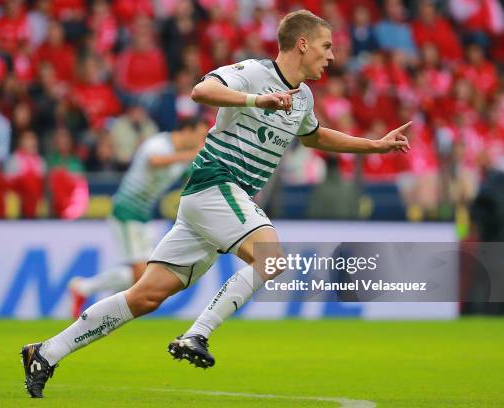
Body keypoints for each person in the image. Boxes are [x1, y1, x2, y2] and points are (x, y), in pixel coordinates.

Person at [21, 10, 411, 398]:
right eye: (326, 47)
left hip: (212, 201)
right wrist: (258, 100)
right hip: (216, 184)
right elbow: (201, 91)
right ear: (302, 43)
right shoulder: (255, 73)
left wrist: (374, 145)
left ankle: (46, 352)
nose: (331, 56)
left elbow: (314, 137)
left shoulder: (303, 97)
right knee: (271, 258)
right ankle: (197, 335)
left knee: (146, 295)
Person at [67, 117, 208, 318]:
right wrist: (189, 155)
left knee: (144, 276)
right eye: (200, 135)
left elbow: (192, 174)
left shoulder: (182, 157)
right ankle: (88, 292)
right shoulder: (159, 143)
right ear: (187, 131)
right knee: (142, 276)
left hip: (143, 216)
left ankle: (85, 290)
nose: (201, 141)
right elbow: (154, 161)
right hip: (126, 211)